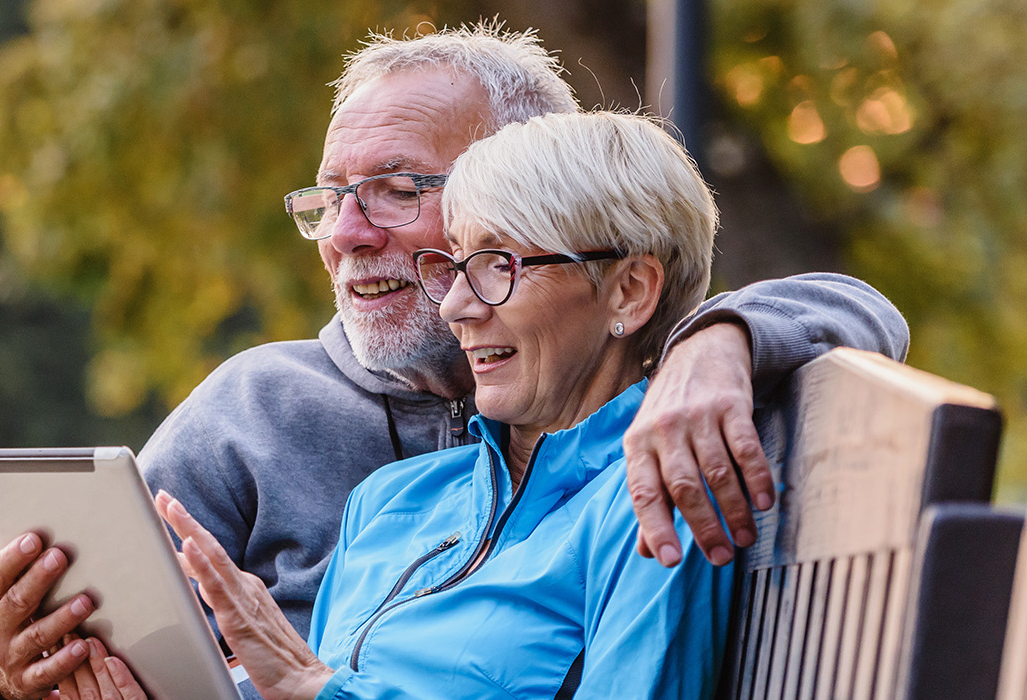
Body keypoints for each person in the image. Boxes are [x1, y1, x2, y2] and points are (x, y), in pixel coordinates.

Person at [0, 25, 907, 700]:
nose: (346, 234)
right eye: (331, 198)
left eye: (395, 190)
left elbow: (859, 307)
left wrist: (717, 340)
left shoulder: (653, 458)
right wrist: (10, 677)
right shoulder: (303, 441)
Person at [76, 109, 735, 700]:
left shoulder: (655, 500)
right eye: (455, 267)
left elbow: (316, 689)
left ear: (629, 291)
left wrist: (314, 689)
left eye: (499, 266)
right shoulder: (391, 502)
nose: (456, 307)